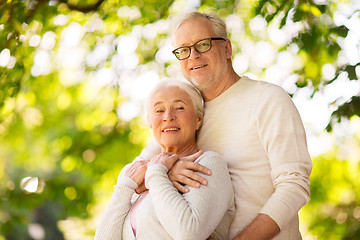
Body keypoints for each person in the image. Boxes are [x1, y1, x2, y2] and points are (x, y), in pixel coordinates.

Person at [137, 12, 313, 239]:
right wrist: (167, 171)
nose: (193, 56)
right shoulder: (187, 113)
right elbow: (135, 175)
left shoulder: (267, 99)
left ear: (227, 49)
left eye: (203, 44)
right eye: (184, 50)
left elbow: (294, 187)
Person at [94, 80, 235, 240]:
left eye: (179, 107)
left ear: (198, 119)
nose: (168, 117)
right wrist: (125, 187)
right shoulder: (138, 176)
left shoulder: (209, 164)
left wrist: (156, 173)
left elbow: (189, 233)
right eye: (159, 110)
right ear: (150, 122)